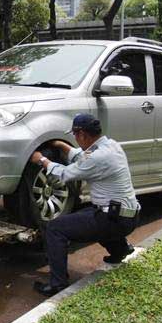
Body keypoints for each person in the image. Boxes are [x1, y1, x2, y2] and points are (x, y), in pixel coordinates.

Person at [30, 113, 140, 297]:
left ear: (82, 135)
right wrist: (61, 145)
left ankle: (57, 284)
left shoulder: (98, 158)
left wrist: (41, 160)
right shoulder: (111, 146)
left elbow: (65, 174)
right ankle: (121, 249)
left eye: (75, 135)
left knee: (55, 228)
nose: (75, 139)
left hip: (113, 219)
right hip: (129, 216)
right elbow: (83, 156)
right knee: (91, 214)